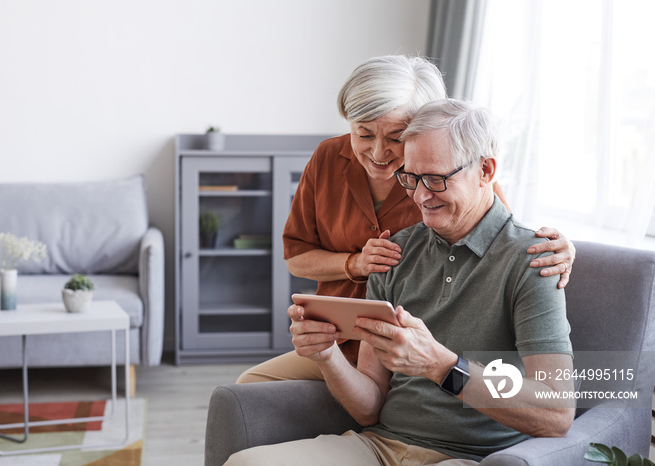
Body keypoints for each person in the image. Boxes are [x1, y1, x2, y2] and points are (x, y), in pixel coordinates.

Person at [225, 99, 574, 465]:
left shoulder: (537, 260)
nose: (421, 196)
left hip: (467, 456)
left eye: (437, 179)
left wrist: (441, 366)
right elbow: (369, 408)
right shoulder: (394, 252)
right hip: (378, 445)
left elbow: (556, 414)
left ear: (485, 170)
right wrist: (327, 355)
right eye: (410, 177)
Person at [236, 55, 575, 384]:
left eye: (396, 137)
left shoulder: (453, 177)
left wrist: (564, 248)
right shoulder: (327, 158)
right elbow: (297, 258)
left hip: (419, 349)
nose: (379, 152)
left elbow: (500, 238)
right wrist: (354, 264)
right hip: (338, 343)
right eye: (364, 133)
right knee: (250, 385)